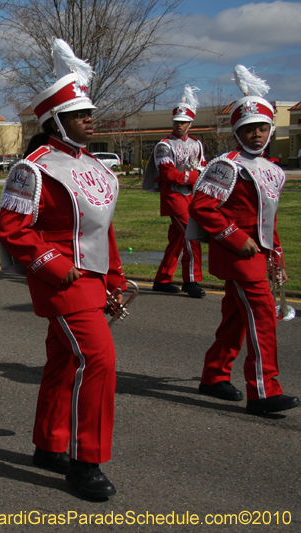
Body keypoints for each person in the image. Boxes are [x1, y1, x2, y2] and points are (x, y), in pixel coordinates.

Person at [0, 39, 125, 499]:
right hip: (61, 283)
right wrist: (54, 264)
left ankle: (50, 444)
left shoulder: (97, 167)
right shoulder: (33, 169)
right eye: (79, 114)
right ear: (56, 121)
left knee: (64, 360)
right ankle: (85, 461)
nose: (90, 120)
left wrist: (115, 278)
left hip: (92, 280)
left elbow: (101, 230)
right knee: (99, 360)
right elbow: (13, 229)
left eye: (90, 113)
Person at [188, 65, 299, 415]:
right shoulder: (227, 165)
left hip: (257, 254)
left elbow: (269, 219)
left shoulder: (273, 169)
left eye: (262, 128)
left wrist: (276, 255)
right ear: (238, 131)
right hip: (236, 255)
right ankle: (264, 391)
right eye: (248, 129)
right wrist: (235, 237)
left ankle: (214, 374)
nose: (256, 134)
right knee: (262, 318)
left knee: (237, 319)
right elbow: (203, 207)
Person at [142, 85, 206, 298]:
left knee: (178, 240)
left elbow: (203, 167)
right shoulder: (163, 145)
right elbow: (169, 175)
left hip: (191, 195)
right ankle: (191, 280)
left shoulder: (197, 144)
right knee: (192, 236)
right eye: (176, 122)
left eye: (183, 122)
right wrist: (194, 175)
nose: (179, 126)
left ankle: (162, 279)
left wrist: (196, 175)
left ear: (190, 123)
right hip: (173, 196)